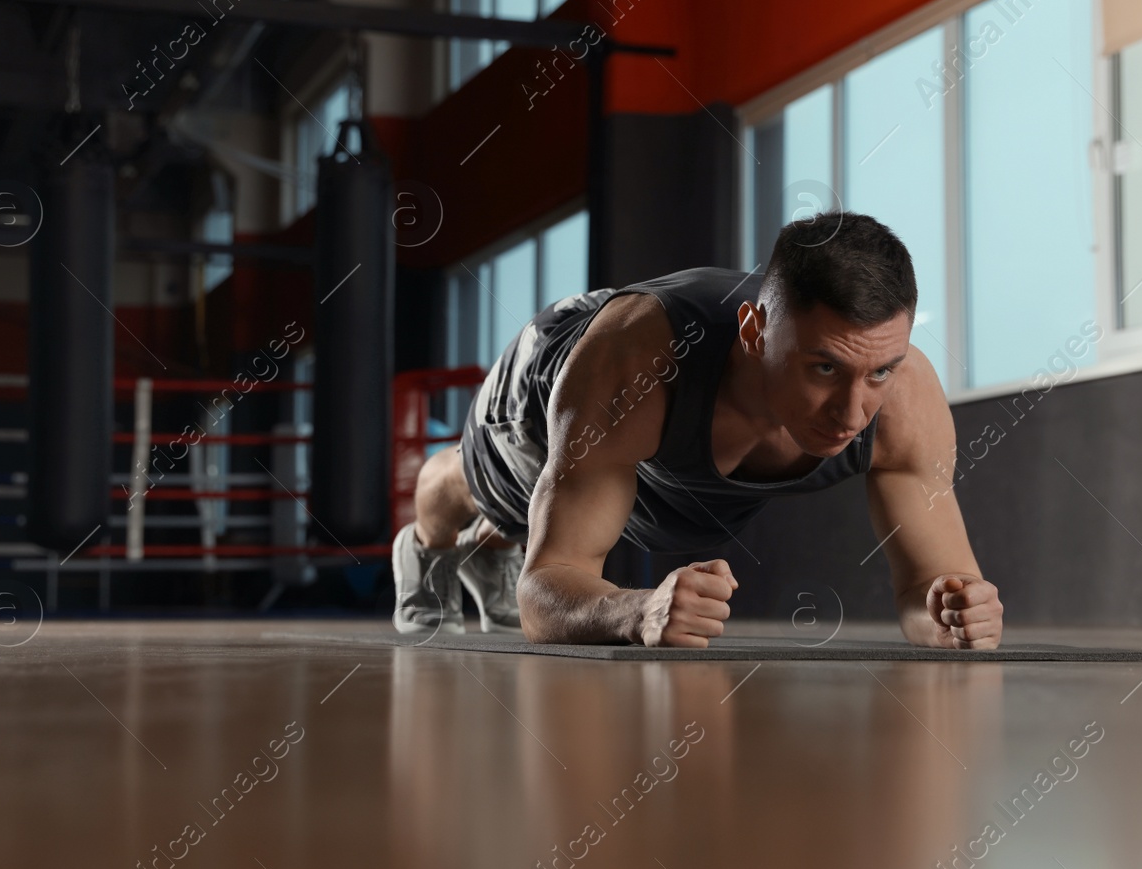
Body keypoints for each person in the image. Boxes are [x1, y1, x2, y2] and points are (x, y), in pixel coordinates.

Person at [392, 211, 1003, 649]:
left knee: (565, 510)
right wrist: (635, 610)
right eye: (824, 368)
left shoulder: (906, 401)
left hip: (662, 468)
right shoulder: (636, 367)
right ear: (755, 332)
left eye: (880, 372)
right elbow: (545, 589)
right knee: (496, 493)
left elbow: (927, 589)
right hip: (555, 382)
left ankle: (496, 543)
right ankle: (428, 545)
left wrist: (953, 618)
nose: (851, 413)